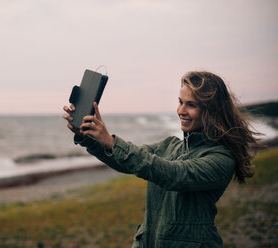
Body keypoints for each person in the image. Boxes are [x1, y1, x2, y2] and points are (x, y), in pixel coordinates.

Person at [62, 71, 259, 248]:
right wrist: (90, 138)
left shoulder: (221, 158)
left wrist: (112, 142)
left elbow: (175, 175)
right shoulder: (171, 145)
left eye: (191, 105)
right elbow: (128, 160)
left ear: (212, 110)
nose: (181, 110)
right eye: (180, 102)